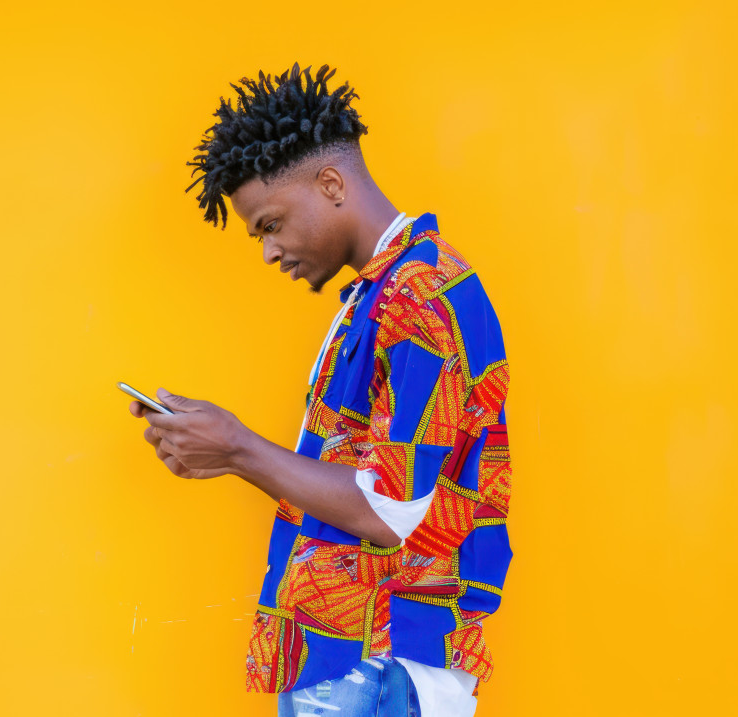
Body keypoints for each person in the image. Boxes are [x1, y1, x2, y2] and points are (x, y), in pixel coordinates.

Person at [127, 63, 513, 717]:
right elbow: (359, 491)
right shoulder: (380, 294)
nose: (268, 252)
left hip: (382, 657)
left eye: (270, 224)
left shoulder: (419, 297)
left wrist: (238, 448)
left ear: (330, 183)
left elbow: (386, 513)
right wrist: (220, 450)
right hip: (352, 652)